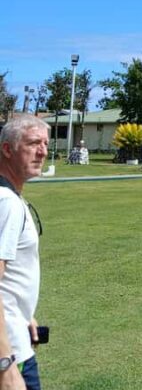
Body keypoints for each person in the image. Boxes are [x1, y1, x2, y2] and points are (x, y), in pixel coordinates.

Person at [0, 113, 50, 390]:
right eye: (33, 143)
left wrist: (24, 315)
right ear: (7, 149)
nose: (42, 151)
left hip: (15, 336)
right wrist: (5, 366)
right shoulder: (6, 202)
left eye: (45, 143)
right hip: (10, 354)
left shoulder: (9, 196)